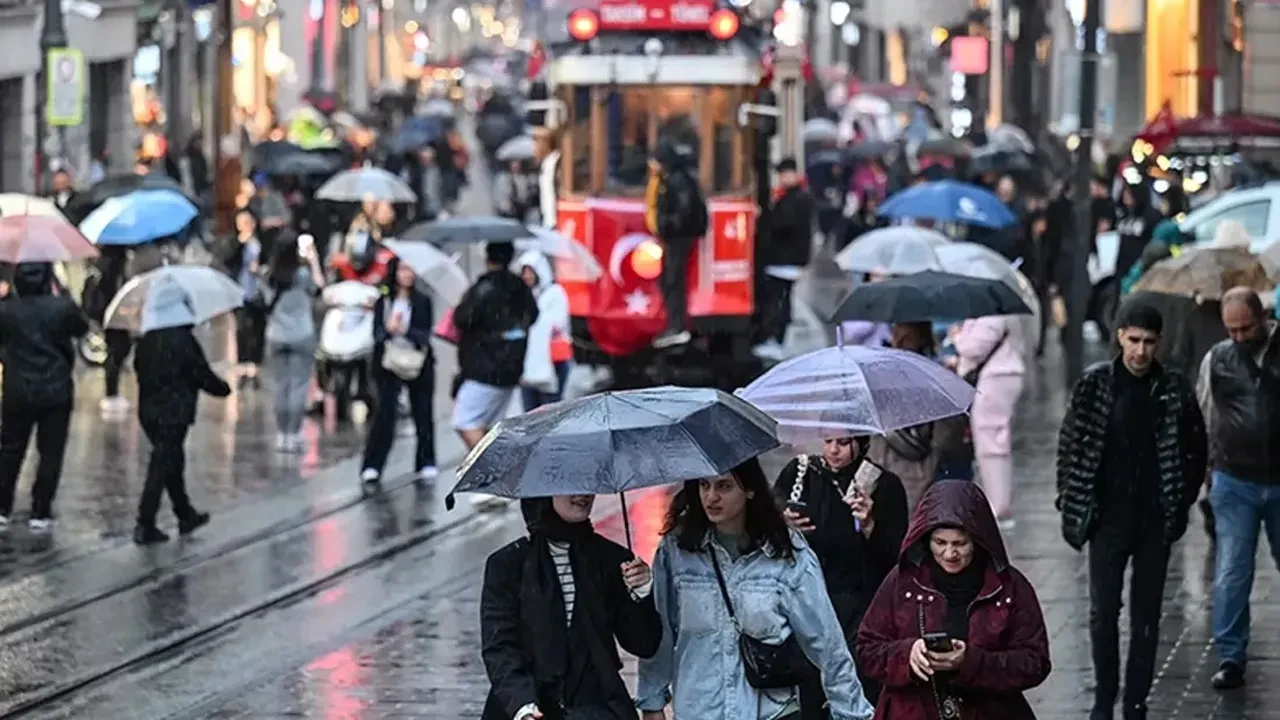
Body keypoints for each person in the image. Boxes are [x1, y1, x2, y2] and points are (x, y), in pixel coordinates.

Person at [637, 457, 876, 720]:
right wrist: (652, 701)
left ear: (749, 490)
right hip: (700, 708)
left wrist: (851, 710)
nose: (711, 497)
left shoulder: (786, 553)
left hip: (771, 711)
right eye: (704, 485)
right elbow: (660, 634)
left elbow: (826, 640)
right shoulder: (677, 551)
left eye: (724, 486)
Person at [1056, 301, 1206, 718]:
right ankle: (1106, 696)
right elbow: (1070, 444)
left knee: (1147, 615)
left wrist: (1180, 499)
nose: (1141, 351)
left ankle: (1136, 700)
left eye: (1149, 342)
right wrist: (1070, 497)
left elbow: (1196, 449)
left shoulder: (1174, 388)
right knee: (1103, 612)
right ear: (1120, 335)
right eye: (1134, 340)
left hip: (1154, 520)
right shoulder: (1095, 386)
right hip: (1107, 518)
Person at [856, 480, 1052, 719]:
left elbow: (1035, 661)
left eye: (960, 544)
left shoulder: (1009, 587)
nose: (949, 554)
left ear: (977, 541)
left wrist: (970, 662)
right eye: (940, 543)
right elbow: (867, 649)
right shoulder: (901, 581)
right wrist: (907, 654)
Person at [480, 496, 662, 720]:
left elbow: (644, 644)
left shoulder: (611, 559)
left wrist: (641, 592)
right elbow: (499, 647)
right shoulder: (509, 564)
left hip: (597, 710)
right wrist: (522, 708)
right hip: (528, 709)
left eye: (587, 484)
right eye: (569, 486)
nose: (583, 494)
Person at [774, 434, 909, 711]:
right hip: (808, 601)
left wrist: (870, 524)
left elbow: (896, 557)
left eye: (844, 442)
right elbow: (768, 523)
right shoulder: (800, 474)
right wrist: (782, 521)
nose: (833, 450)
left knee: (857, 689)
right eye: (827, 440)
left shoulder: (883, 485)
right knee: (811, 688)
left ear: (861, 443)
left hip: (860, 606)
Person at [1196, 287, 1280, 690]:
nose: (1239, 338)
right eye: (1231, 330)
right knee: (1231, 570)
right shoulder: (1218, 360)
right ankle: (1230, 655)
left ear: (1262, 318)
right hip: (1235, 478)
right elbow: (1205, 413)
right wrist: (1207, 472)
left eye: (1245, 328)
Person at [132, 283, 232, 544]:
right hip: (174, 412)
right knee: (163, 462)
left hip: (149, 412)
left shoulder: (147, 341)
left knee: (170, 461)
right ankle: (145, 521)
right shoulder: (183, 340)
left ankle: (184, 513)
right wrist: (223, 388)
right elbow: (200, 373)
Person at [0, 263, 89, 531]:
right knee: (50, 452)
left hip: (18, 390)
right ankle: (40, 510)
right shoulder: (62, 307)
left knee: (10, 450)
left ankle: (2, 507)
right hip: (55, 390)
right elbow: (82, 328)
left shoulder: (6, 311)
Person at [453, 242, 539, 452]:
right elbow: (533, 315)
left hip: (483, 367)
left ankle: (491, 467)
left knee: (465, 420)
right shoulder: (520, 288)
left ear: (488, 258)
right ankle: (495, 469)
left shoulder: (483, 288)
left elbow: (463, 319)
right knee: (491, 423)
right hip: (511, 365)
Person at [360, 259, 437, 484]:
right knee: (384, 414)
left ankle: (426, 461)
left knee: (422, 413)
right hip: (388, 362)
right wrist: (388, 330)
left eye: (412, 270)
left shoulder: (423, 301)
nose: (408, 275)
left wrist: (406, 331)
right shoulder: (383, 300)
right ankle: (373, 464)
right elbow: (376, 333)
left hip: (417, 362)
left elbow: (425, 336)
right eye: (403, 269)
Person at [949, 313, 1027, 526]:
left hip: (996, 378)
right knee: (991, 441)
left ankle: (998, 506)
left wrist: (957, 336)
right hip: (997, 376)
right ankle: (996, 502)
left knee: (991, 441)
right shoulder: (993, 312)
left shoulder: (992, 314)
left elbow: (973, 347)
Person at [261, 233, 326, 453]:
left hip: (276, 335)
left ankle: (282, 434)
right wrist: (313, 260)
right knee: (299, 386)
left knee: (280, 386)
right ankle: (295, 433)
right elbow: (320, 288)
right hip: (302, 334)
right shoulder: (302, 275)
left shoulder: (268, 276)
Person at [649, 140, 709, 349]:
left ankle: (677, 326)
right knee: (670, 279)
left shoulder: (675, 181)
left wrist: (665, 224)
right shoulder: (676, 178)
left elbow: (682, 212)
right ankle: (675, 325)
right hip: (679, 237)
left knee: (673, 279)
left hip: (678, 238)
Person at [516, 250, 572, 410]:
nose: (527, 276)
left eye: (530, 271)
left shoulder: (555, 293)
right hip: (528, 364)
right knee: (530, 412)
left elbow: (558, 323)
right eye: (524, 272)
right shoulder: (524, 296)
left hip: (554, 361)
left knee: (551, 410)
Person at [230, 209, 266, 390]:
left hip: (258, 291)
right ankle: (242, 368)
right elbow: (229, 261)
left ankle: (254, 368)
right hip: (241, 291)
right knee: (242, 331)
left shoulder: (261, 243)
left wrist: (260, 268)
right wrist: (239, 244)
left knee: (257, 331)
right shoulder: (236, 243)